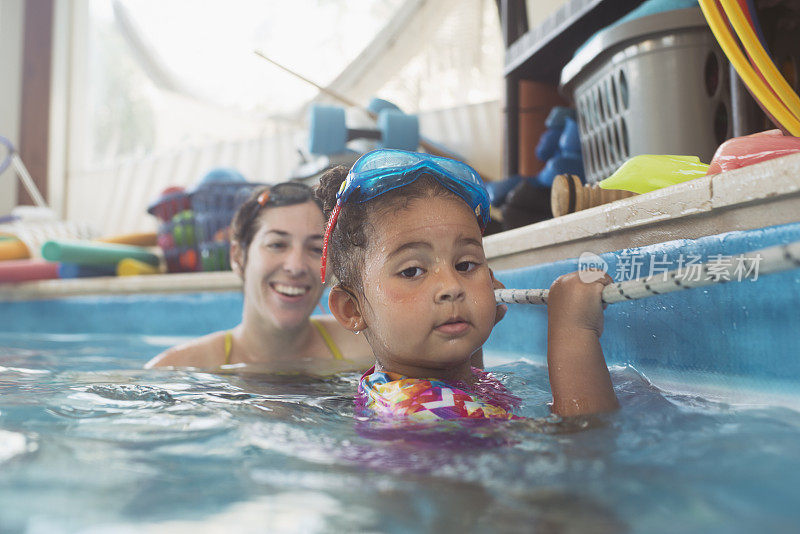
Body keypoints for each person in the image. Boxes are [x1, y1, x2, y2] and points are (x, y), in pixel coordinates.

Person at [315, 149, 619, 419]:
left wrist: (473, 339)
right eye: (412, 272)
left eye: (465, 265)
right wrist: (573, 330)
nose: (451, 285)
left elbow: (469, 393)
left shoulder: (400, 387)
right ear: (351, 308)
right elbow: (580, 459)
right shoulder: (418, 412)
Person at [146, 182, 374, 372]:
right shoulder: (178, 369)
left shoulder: (368, 349)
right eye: (276, 244)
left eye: (316, 249)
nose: (296, 266)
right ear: (238, 257)